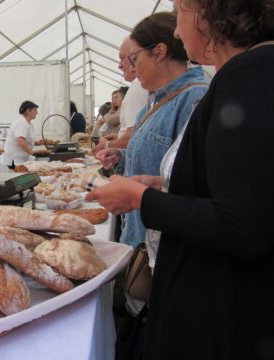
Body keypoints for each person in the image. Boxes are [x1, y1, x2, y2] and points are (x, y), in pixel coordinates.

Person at [86, 1, 274, 359]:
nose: (176, 30)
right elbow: (227, 183)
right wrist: (158, 184)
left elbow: (242, 224)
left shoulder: (248, 77)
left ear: (212, 12)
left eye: (180, 11)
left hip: (219, 311)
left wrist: (143, 198)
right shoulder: (243, 76)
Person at [93, 11, 208, 249]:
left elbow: (195, 188)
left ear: (159, 53)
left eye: (133, 59)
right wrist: (121, 157)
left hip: (165, 241)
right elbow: (158, 158)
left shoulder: (194, 99)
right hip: (140, 232)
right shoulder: (154, 102)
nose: (132, 69)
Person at [94, 37, 148, 152]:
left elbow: (132, 137)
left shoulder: (138, 87)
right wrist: (119, 137)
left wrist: (108, 145)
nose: (119, 65)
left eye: (123, 58)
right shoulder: (139, 87)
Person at [1, 100, 43, 168]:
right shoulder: (22, 123)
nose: (37, 113)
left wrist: (37, 143)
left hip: (20, 159)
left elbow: (25, 139)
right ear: (28, 111)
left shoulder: (28, 123)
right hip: (14, 159)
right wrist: (33, 153)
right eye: (35, 110)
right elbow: (21, 141)